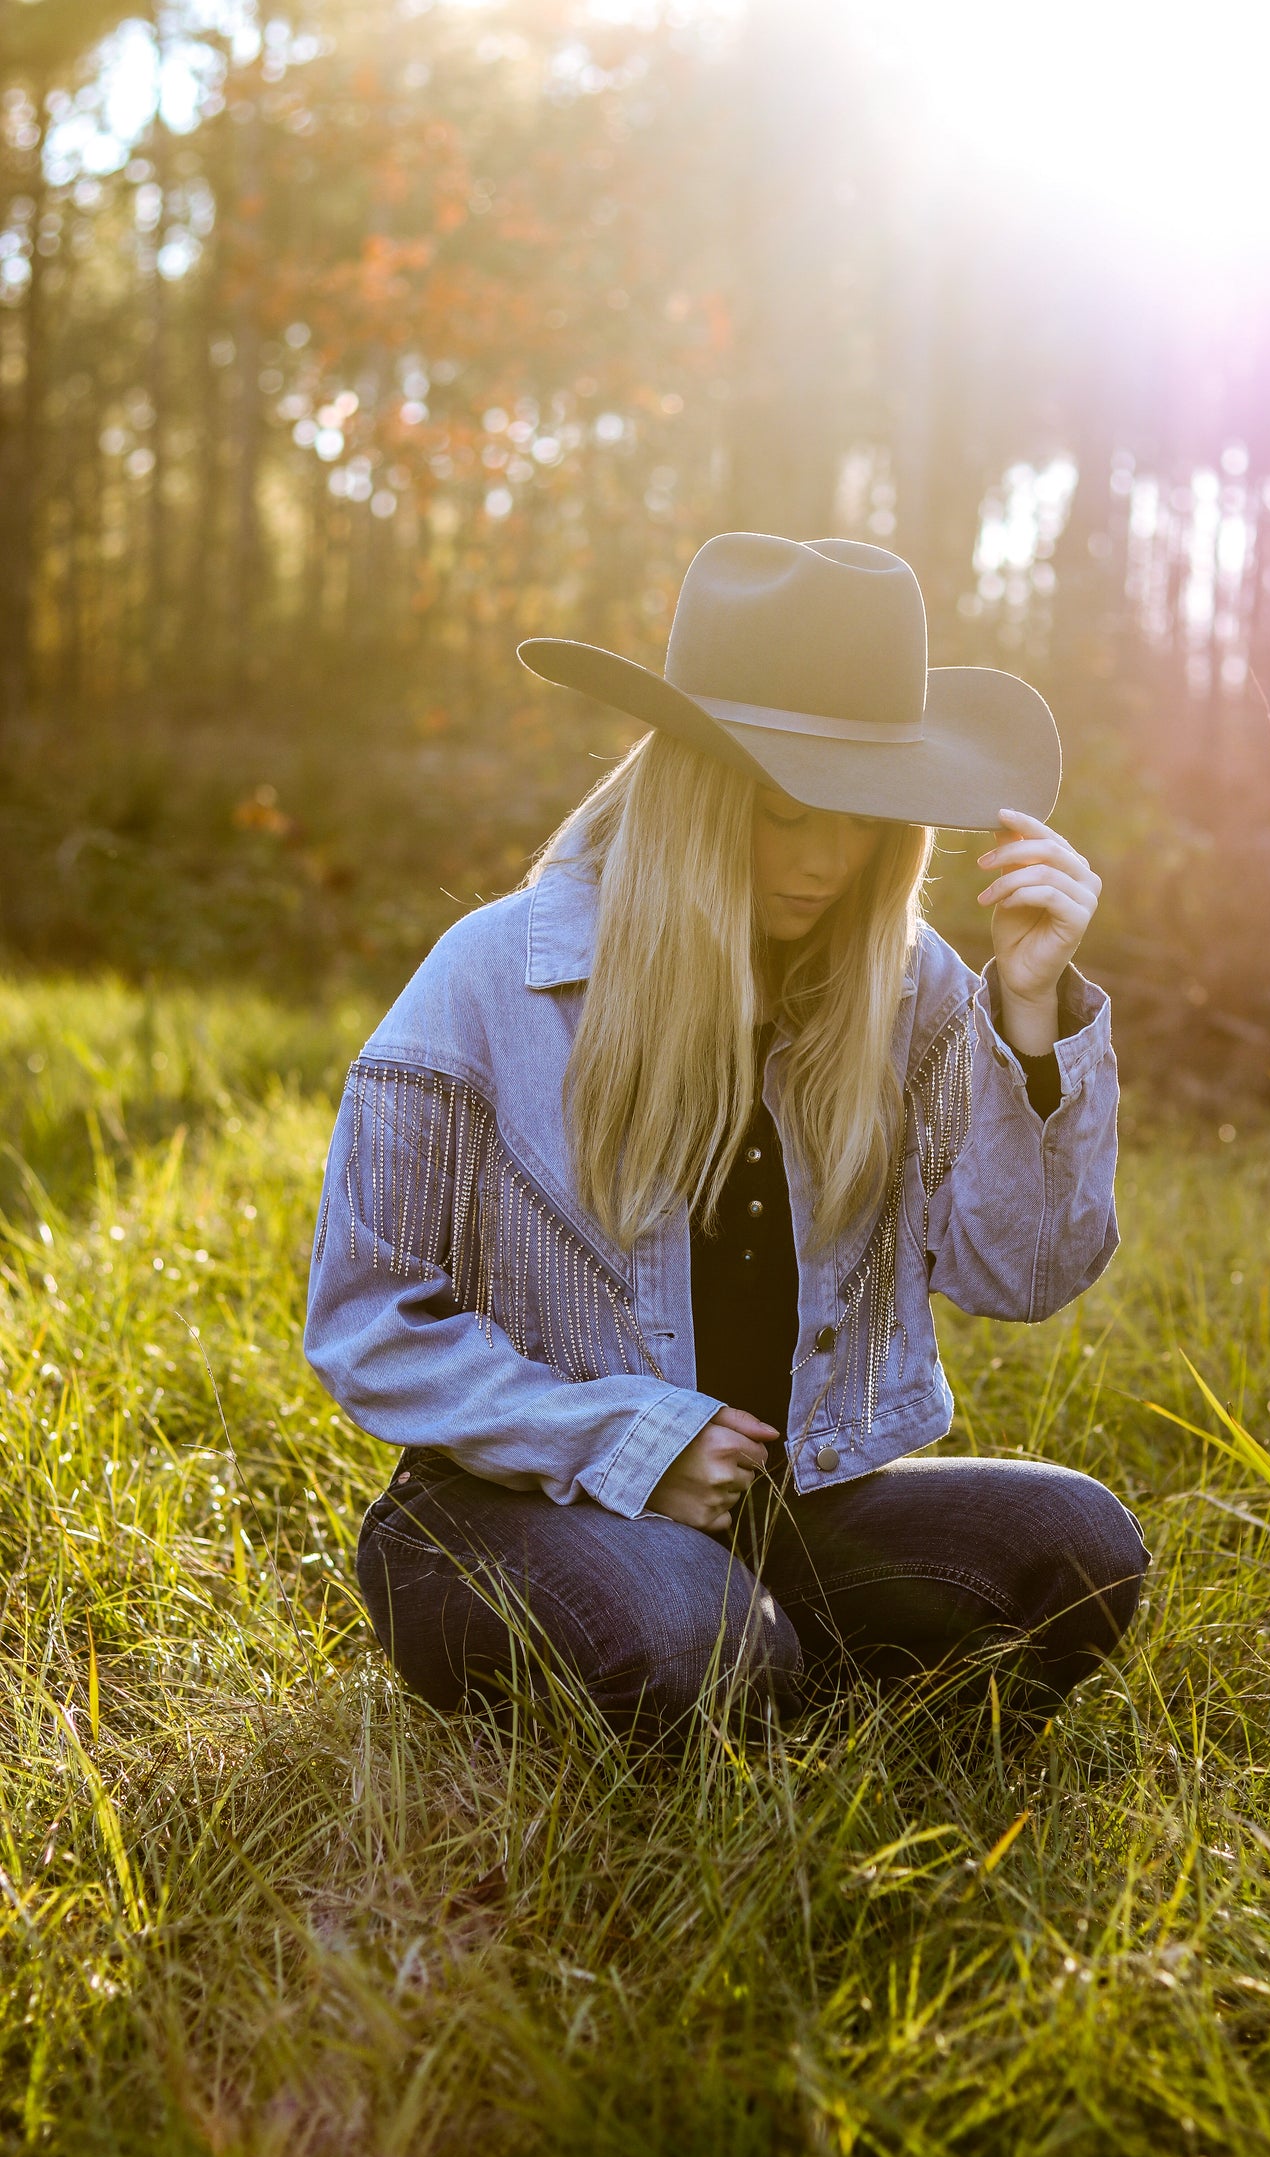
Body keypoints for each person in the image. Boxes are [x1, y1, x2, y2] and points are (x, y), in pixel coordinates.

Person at [305, 531, 1147, 1739]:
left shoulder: (911, 989)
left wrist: (1026, 1012)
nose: (828, 861)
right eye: (785, 809)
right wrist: (627, 1438)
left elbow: (1018, 1277)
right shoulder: (496, 975)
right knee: (690, 1633)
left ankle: (763, 1667)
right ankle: (751, 1666)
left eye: (866, 817)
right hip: (498, 1510)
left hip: (785, 1516)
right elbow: (365, 1323)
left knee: (1076, 1546)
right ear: (694, 786)